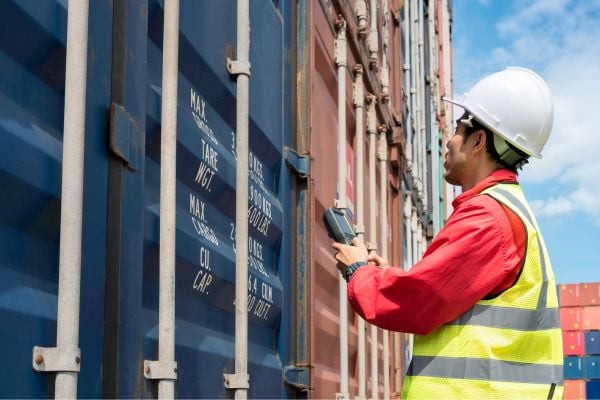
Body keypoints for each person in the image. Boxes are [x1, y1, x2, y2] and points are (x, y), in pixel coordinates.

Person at [332, 67, 563, 399]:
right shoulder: (508, 210)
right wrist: (388, 276)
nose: (449, 140)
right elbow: (451, 296)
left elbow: (422, 301)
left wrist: (359, 272)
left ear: (478, 141)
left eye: (457, 129)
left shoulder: (487, 217)